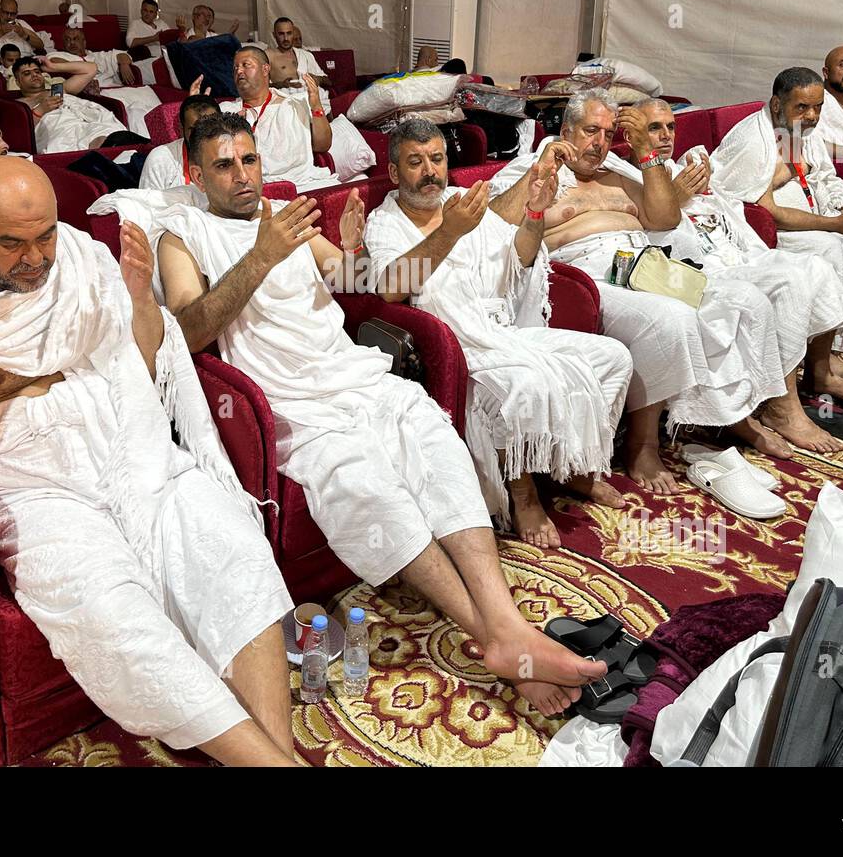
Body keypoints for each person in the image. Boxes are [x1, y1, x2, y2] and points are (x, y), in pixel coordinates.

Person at [152, 112, 607, 717]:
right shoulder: (180, 235)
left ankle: (504, 622)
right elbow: (187, 330)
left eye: (250, 160)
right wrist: (259, 259)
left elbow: (372, 282)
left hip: (354, 373)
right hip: (291, 404)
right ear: (195, 172)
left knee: (436, 442)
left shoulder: (282, 216)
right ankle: (498, 637)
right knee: (367, 483)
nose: (242, 176)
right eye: (224, 165)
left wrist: (357, 246)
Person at [0, 157, 299, 766]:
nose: (36, 256)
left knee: (234, 550)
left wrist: (137, 297)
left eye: (44, 234)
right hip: (31, 481)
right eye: (12, 243)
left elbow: (147, 358)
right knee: (111, 617)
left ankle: (274, 754)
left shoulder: (81, 256)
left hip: (128, 445)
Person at [492, 90, 797, 489]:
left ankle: (734, 415)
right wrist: (542, 167)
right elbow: (495, 223)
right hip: (589, 274)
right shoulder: (537, 171)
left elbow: (665, 216)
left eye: (606, 133)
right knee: (671, 318)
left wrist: (646, 154)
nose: (599, 142)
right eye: (589, 131)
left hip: (648, 266)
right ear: (565, 132)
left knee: (747, 299)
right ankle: (643, 443)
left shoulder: (618, 174)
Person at [363, 118, 633, 545]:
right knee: (521, 384)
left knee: (613, 357)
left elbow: (519, 257)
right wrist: (450, 231)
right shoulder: (387, 222)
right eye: (415, 162)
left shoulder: (460, 200)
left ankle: (574, 468)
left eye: (436, 158)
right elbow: (390, 287)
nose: (430, 170)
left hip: (500, 331)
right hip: (456, 345)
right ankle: (522, 494)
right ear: (395, 173)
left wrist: (535, 214)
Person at [629, 100, 843, 453]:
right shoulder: (633, 175)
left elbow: (727, 205)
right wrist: (677, 195)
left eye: (670, 127)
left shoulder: (685, 165)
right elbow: (650, 224)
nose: (666, 136)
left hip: (733, 253)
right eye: (655, 128)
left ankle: (818, 374)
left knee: (816, 266)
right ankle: (782, 407)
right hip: (697, 268)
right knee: (788, 279)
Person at [708, 67, 843, 356]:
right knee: (831, 247)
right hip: (771, 232)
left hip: (818, 213)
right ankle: (825, 352)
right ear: (776, 104)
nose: (812, 115)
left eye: (818, 107)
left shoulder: (802, 128)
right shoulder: (754, 142)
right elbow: (763, 211)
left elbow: (826, 176)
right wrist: (833, 224)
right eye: (802, 107)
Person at [221, 45, 333, 189]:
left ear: (265, 69)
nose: (239, 71)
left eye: (246, 65)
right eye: (235, 68)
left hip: (303, 183)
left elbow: (322, 145)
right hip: (252, 190)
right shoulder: (226, 111)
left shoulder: (295, 104)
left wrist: (316, 106)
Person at [11, 56, 144, 153]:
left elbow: (91, 68)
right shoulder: (19, 104)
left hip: (86, 123)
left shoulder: (58, 89)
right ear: (17, 82)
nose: (34, 75)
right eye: (27, 73)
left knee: (105, 135)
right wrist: (39, 111)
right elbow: (19, 133)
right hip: (59, 130)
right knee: (100, 141)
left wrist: (53, 66)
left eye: (37, 71)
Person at [45, 26, 157, 136]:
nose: (72, 43)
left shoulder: (97, 56)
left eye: (76, 39)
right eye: (67, 39)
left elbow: (123, 55)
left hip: (119, 88)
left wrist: (123, 64)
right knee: (134, 110)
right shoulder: (58, 55)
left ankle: (159, 129)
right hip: (98, 94)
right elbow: (55, 62)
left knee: (149, 101)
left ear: (84, 42)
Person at [140, 94, 219, 191]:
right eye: (194, 130)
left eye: (210, 129)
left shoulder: (235, 154)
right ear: (182, 129)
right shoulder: (160, 159)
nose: (203, 137)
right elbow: (147, 205)